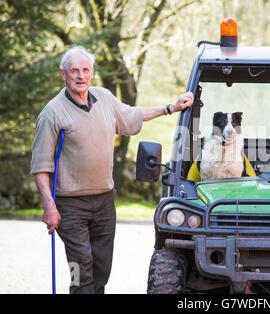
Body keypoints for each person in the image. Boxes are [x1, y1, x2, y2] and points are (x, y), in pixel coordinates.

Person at [30, 46, 193, 294]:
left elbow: (132, 115)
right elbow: (41, 167)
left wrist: (170, 108)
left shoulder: (104, 98)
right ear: (63, 74)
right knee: (80, 264)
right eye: (74, 70)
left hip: (105, 201)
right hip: (70, 205)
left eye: (85, 70)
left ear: (92, 72)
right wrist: (49, 207)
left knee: (101, 268)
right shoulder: (53, 113)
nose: (80, 75)